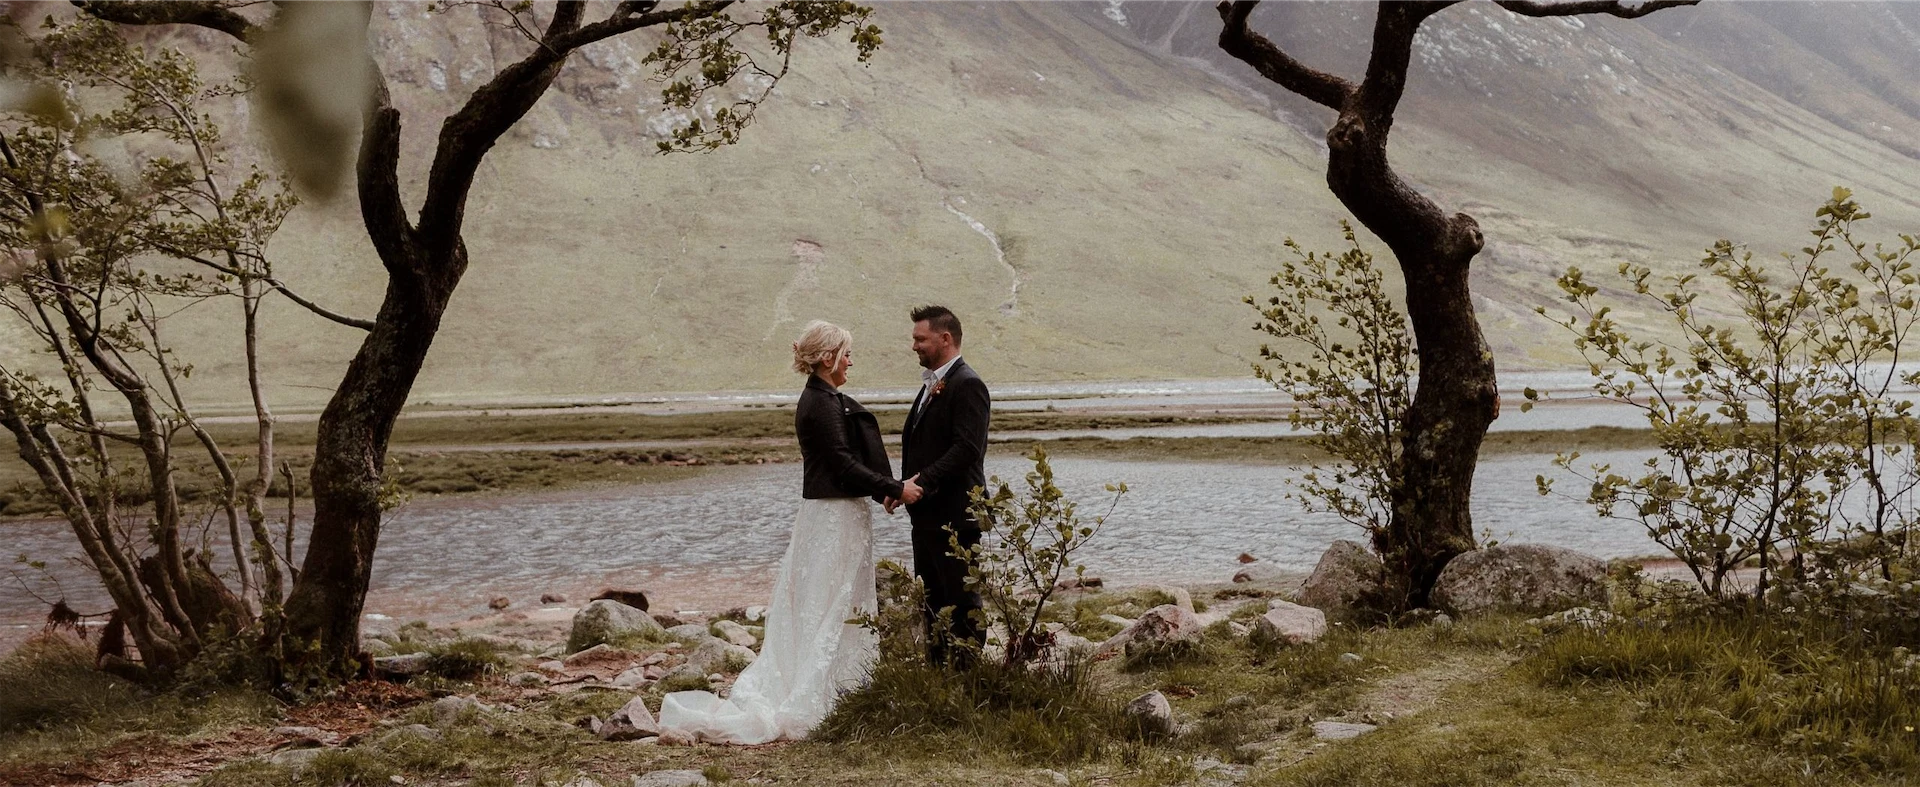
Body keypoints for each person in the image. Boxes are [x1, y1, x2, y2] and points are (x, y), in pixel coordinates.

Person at [657, 320, 921, 744]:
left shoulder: (823, 399)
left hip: (837, 515)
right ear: (828, 358)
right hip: (832, 517)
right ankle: (821, 691)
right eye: (847, 354)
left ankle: (844, 684)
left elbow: (846, 462)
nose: (851, 362)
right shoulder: (821, 403)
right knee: (828, 599)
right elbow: (841, 462)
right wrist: (894, 488)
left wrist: (882, 490)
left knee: (837, 597)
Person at [890, 304, 990, 667]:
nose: (914, 346)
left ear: (945, 339)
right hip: (928, 515)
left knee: (961, 601)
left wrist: (920, 481)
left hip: (956, 514)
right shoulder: (933, 384)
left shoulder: (968, 384)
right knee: (933, 602)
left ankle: (968, 675)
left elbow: (967, 449)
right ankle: (938, 675)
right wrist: (900, 487)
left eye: (921, 339)